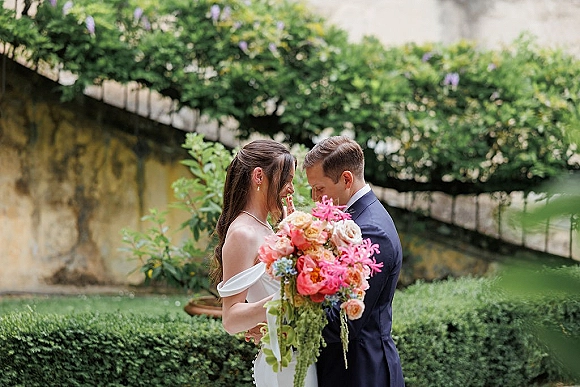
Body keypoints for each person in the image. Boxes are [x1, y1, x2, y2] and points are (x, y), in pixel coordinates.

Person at [211, 139, 317, 387]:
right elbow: (231, 318)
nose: (291, 189)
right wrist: (286, 299)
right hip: (283, 366)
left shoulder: (265, 225)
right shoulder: (242, 233)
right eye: (286, 180)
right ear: (259, 176)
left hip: (295, 354)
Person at [303, 135, 405, 387]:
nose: (316, 199)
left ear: (346, 179)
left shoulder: (371, 231)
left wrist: (282, 319)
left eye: (320, 188)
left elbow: (346, 319)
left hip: (362, 373)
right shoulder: (352, 218)